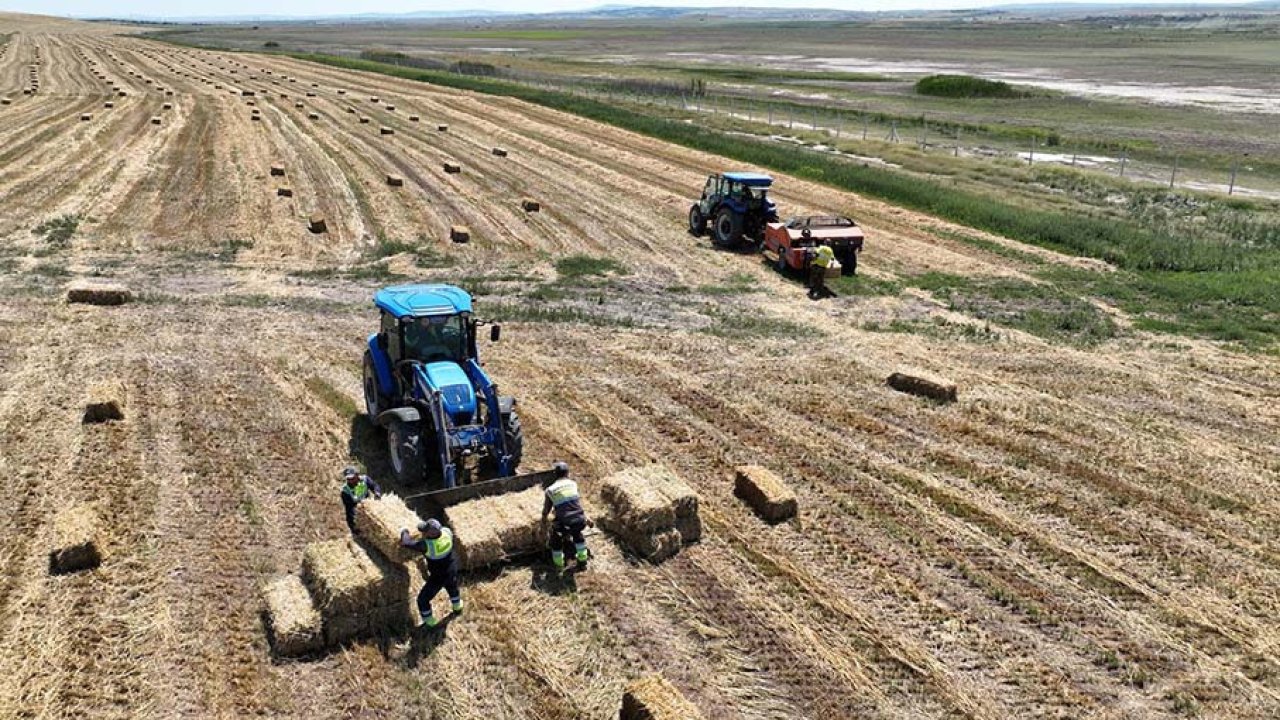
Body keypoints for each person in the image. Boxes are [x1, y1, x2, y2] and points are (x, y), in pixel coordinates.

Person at [400, 519, 462, 629]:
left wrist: (404, 531)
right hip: (452, 567)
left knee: (422, 599)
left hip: (438, 576)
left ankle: (429, 622)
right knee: (452, 588)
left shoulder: (427, 545)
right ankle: (458, 607)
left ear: (431, 534)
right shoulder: (447, 532)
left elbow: (406, 543)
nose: (423, 533)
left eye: (425, 531)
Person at [541, 461, 590, 570]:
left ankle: (559, 565)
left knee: (555, 540)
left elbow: (546, 510)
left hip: (565, 522)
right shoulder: (573, 484)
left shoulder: (550, 490)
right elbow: (574, 502)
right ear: (567, 473)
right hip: (580, 520)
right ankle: (582, 560)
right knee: (577, 534)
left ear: (555, 474)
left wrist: (543, 520)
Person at [340, 466, 381, 532]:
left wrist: (377, 492)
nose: (351, 481)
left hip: (369, 505)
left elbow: (374, 485)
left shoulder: (365, 479)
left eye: (352, 478)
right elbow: (350, 510)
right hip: (359, 511)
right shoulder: (345, 492)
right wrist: (353, 526)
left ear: (357, 475)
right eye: (348, 479)